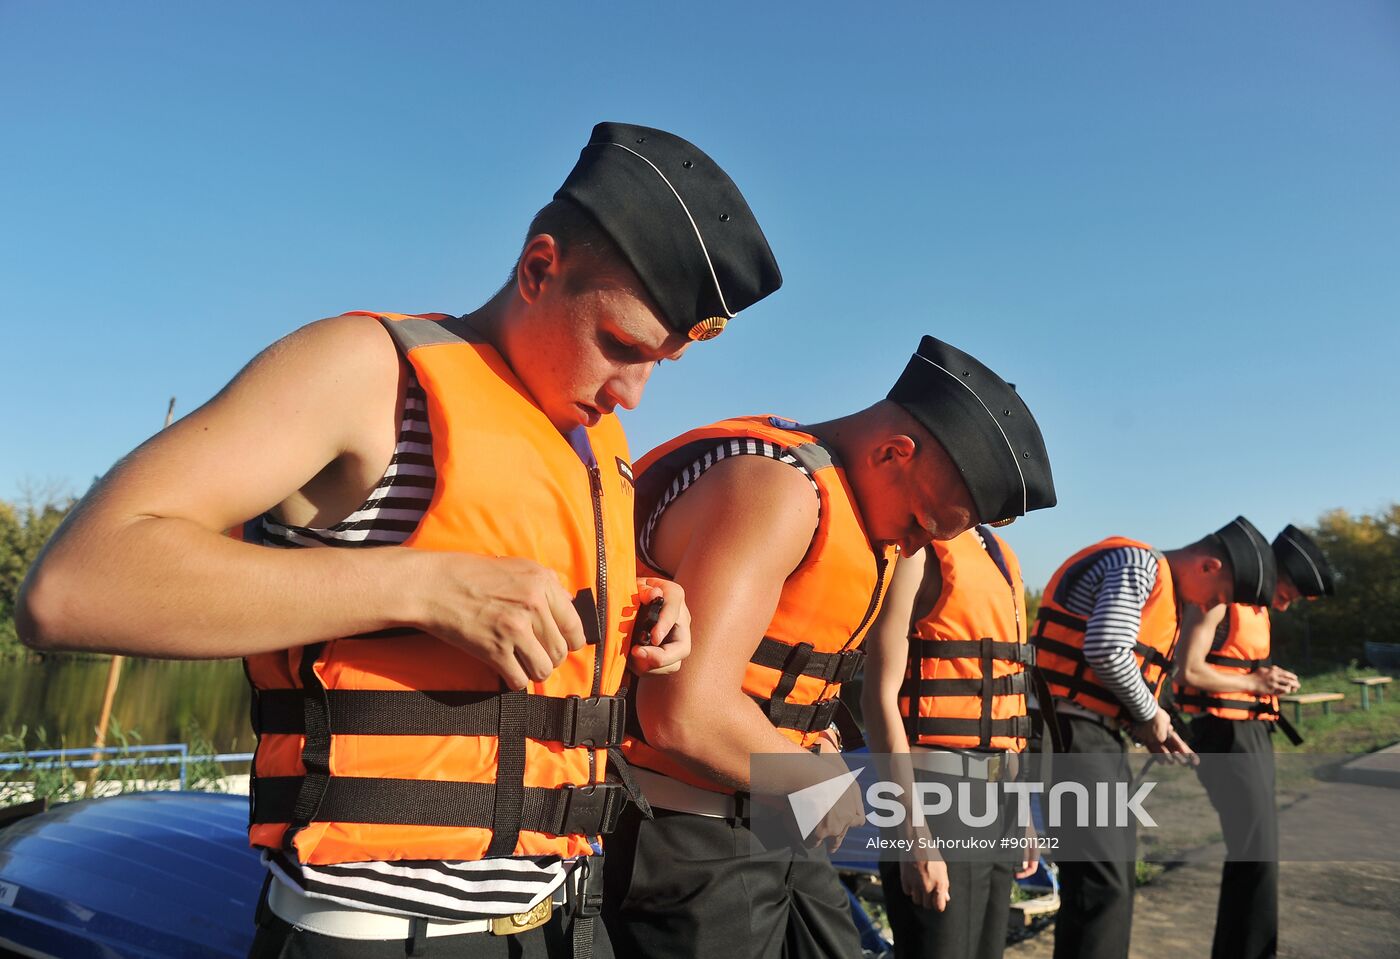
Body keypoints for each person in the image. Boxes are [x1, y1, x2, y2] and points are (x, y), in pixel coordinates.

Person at [17, 121, 783, 958]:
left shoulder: (591, 439)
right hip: (386, 935)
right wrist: (418, 586)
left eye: (659, 364)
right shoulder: (367, 372)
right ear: (539, 268)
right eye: (621, 346)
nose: (632, 392)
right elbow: (73, 587)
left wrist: (644, 606)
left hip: (568, 919)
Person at [601, 335, 1057, 959]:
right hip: (691, 839)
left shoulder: (866, 523)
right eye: (923, 525)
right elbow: (684, 712)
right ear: (894, 452)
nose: (918, 551)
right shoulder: (778, 489)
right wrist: (819, 784)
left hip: (781, 821)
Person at [1031, 515, 1276, 959]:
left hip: (1094, 736)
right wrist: (1149, 714)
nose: (1211, 609)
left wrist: (1148, 726)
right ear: (1208, 566)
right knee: (1101, 883)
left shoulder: (1153, 581)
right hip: (1072, 734)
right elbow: (1106, 648)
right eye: (1218, 598)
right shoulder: (1138, 564)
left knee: (1109, 880)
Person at [862, 527, 1041, 959]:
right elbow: (877, 696)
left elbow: (1008, 708)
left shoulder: (1001, 554)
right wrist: (912, 835)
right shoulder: (918, 551)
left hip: (999, 799)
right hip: (937, 799)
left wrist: (1022, 811)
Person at [1173, 524, 1334, 959]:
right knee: (1255, 852)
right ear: (1272, 569)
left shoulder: (1257, 609)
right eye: (1289, 591)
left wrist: (1265, 682)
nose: (1288, 602)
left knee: (1261, 852)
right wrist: (1254, 679)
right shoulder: (1222, 597)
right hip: (1223, 733)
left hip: (1252, 732)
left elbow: (1241, 670)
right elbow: (1186, 670)